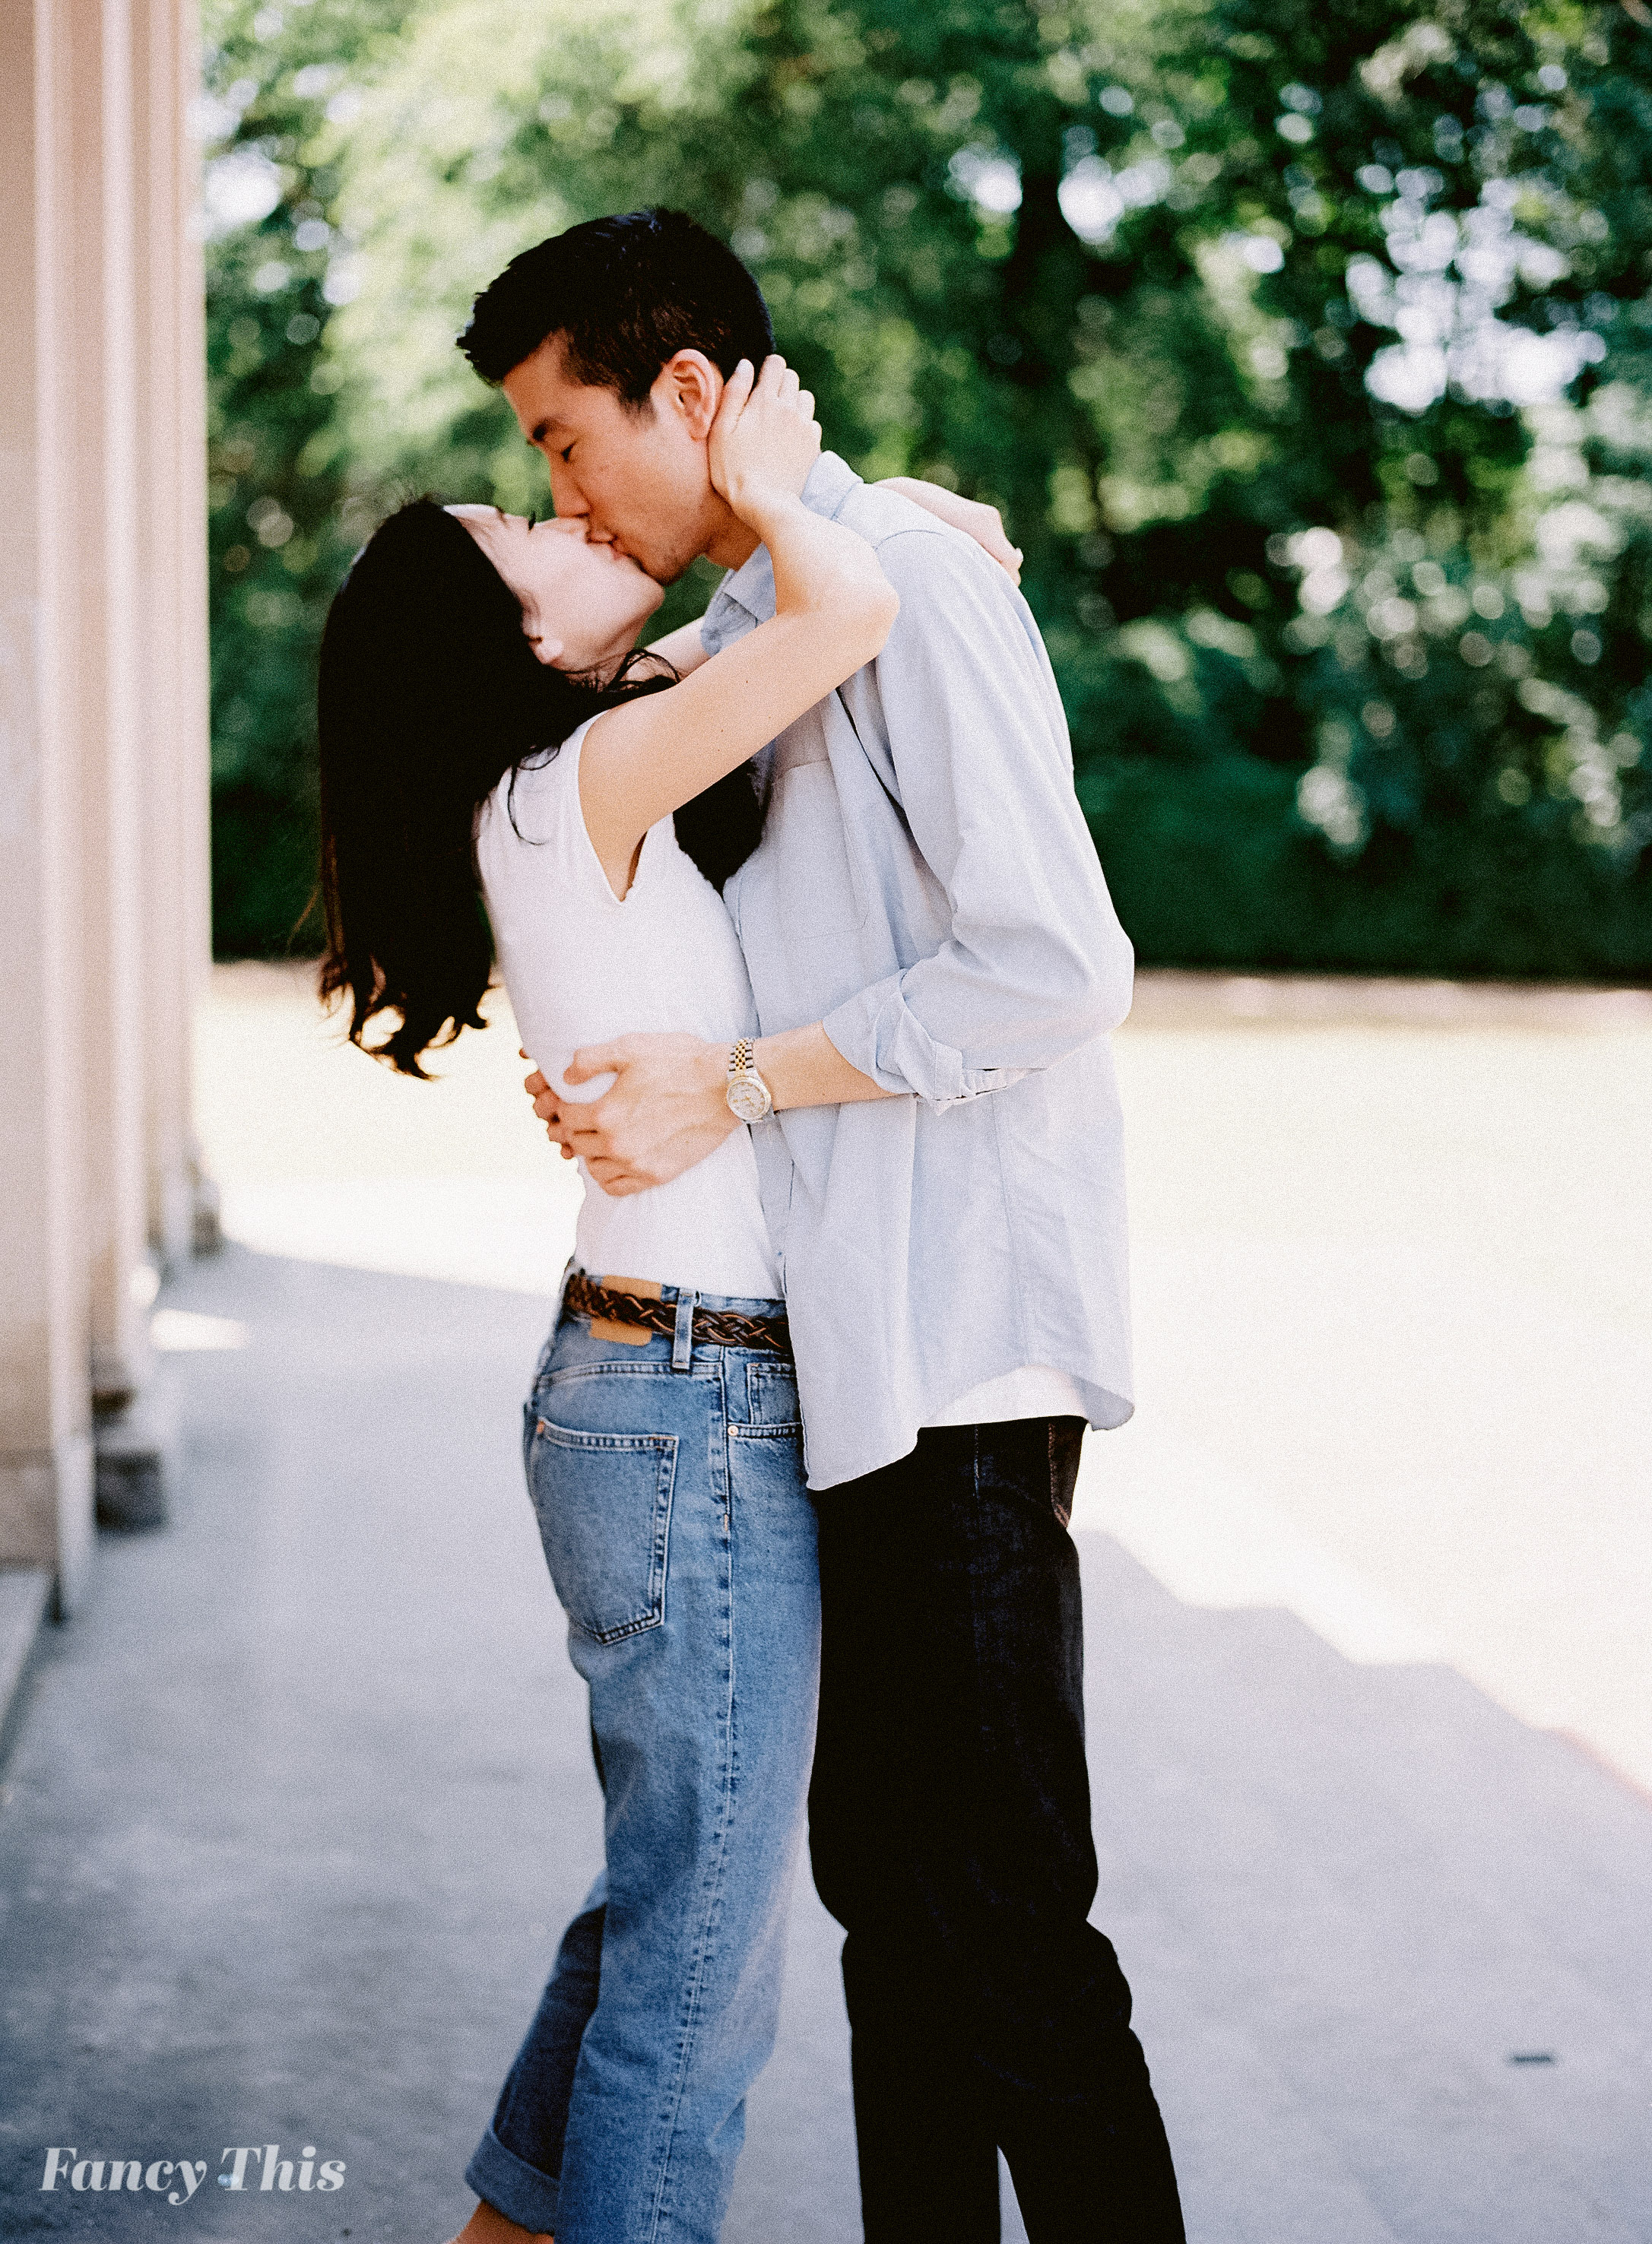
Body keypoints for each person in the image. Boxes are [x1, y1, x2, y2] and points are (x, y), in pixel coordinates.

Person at [459, 208, 1187, 2241]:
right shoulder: (797, 606)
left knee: (1006, 1927)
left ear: (683, 391)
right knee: (892, 1908)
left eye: (562, 435)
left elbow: (1054, 964)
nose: (562, 488)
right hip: (843, 1358)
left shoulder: (916, 596)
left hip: (953, 1344)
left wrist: (745, 1080)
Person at [314, 353, 1019, 2244]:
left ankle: (509, 2229)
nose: (561, 513)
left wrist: (896, 517)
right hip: (689, 1406)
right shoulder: (582, 778)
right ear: (510, 638)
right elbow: (843, 611)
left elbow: (832, 606)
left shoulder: (577, 773)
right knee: (703, 1972)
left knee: (668, 1891)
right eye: (520, 531)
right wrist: (795, 490)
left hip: (656, 1392)